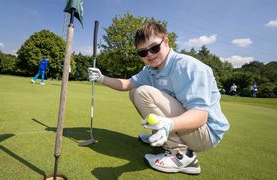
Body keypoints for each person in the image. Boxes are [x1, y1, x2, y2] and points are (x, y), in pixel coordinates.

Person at [88, 22, 229, 175]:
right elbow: (127, 84)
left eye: (154, 48)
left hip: (205, 134)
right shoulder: (151, 70)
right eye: (142, 52)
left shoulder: (189, 66)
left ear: (166, 42)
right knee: (135, 91)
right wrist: (102, 78)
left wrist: (168, 124)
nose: (149, 54)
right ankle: (168, 138)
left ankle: (181, 155)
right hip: (186, 127)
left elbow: (201, 116)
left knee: (143, 92)